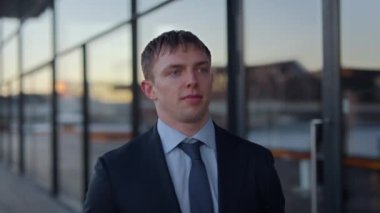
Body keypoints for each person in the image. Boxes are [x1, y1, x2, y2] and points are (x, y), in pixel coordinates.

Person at [83, 30, 285, 213]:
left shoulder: (257, 161)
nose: (192, 80)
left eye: (201, 69)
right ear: (149, 90)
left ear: (211, 79)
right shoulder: (115, 170)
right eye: (175, 72)